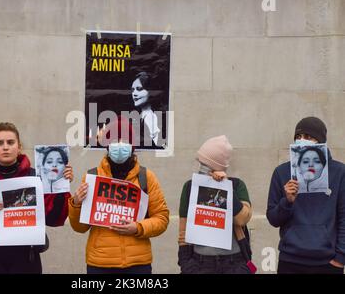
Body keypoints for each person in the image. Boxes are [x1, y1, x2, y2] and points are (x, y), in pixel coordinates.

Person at [0, 122, 73, 274]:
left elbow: (54, 218)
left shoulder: (37, 177)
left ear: (19, 147)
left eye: (10, 142)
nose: (5, 147)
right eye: (0, 143)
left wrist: (61, 186)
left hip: (26, 255)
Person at [68, 115, 169, 274]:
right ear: (107, 145)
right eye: (115, 140)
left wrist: (138, 227)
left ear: (133, 146)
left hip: (137, 265)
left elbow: (162, 219)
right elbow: (79, 227)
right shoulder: (92, 177)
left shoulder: (146, 177)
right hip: (100, 264)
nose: (120, 145)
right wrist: (76, 203)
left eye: (125, 140)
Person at [266, 116, 345, 274]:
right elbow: (273, 219)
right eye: (298, 137)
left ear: (321, 141)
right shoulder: (281, 172)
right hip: (290, 260)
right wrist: (286, 202)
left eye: (309, 137)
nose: (302, 140)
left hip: (327, 262)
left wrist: (340, 258)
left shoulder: (339, 172)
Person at [178, 135, 253, 274]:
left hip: (233, 262)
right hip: (200, 262)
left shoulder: (236, 186)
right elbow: (183, 228)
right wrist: (185, 263)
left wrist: (224, 187)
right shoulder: (190, 187)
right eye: (200, 162)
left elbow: (242, 219)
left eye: (204, 164)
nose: (200, 167)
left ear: (216, 166)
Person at [131, 72, 161, 147]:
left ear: (150, 91)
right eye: (133, 90)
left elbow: (160, 145)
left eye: (139, 89)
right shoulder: (139, 116)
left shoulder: (152, 117)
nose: (134, 93)